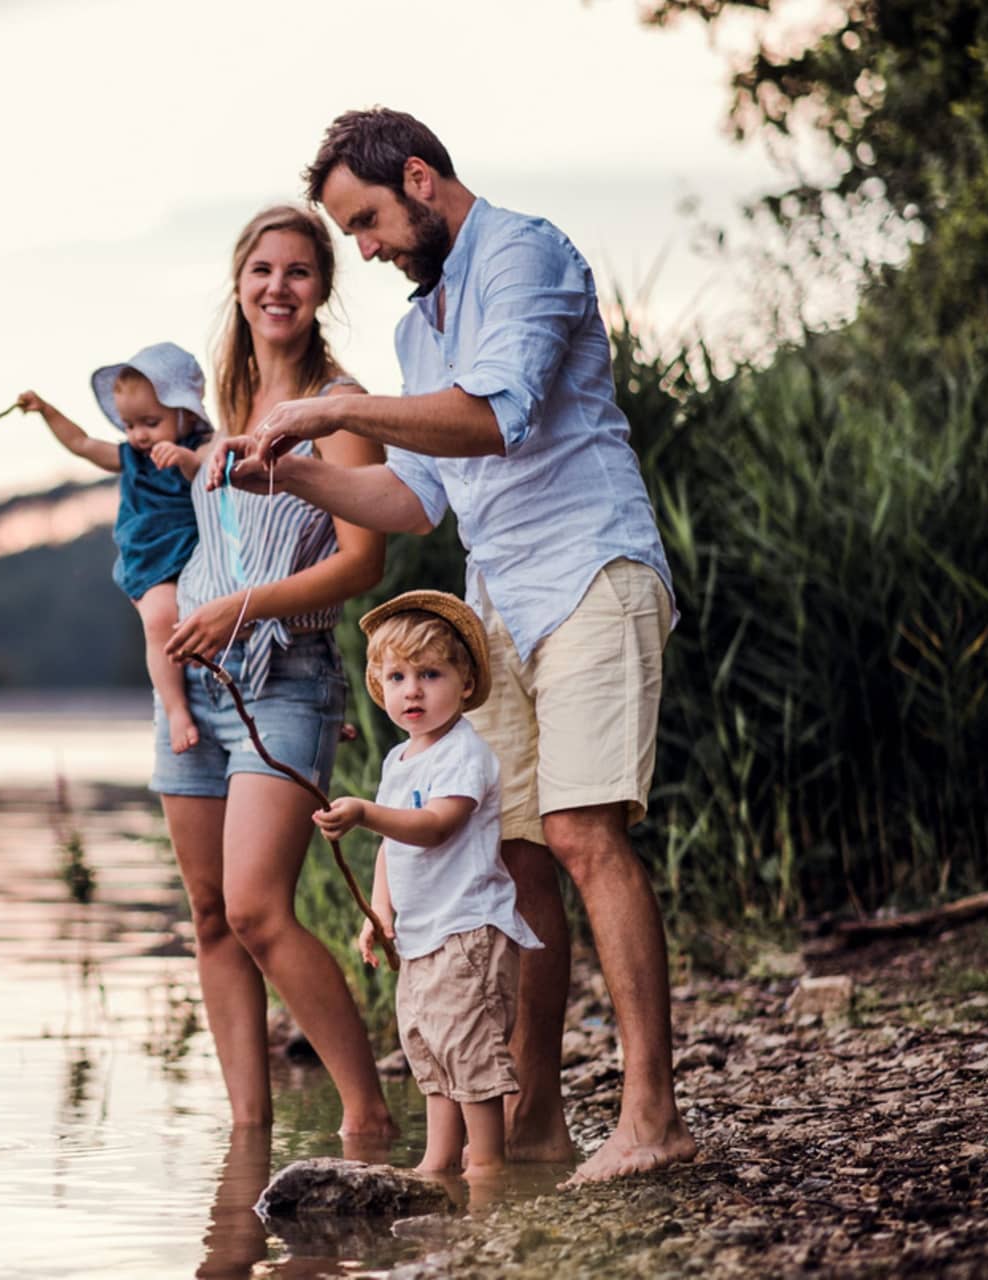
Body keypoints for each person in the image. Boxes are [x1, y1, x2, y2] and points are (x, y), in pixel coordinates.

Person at [209, 109, 699, 1184]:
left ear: (420, 179)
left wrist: (330, 405)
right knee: (509, 854)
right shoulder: (416, 332)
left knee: (578, 830)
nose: (367, 248)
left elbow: (493, 417)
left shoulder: (526, 253)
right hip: (495, 602)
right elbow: (410, 493)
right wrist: (284, 469)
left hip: (587, 570)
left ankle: (651, 1114)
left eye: (368, 221)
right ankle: (530, 1123)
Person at [155, 205, 391, 1137]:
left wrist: (242, 608)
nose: (277, 287)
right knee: (211, 916)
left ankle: (367, 1115)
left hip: (286, 677)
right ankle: (246, 1139)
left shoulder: (342, 408)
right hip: (194, 684)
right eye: (261, 269)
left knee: (258, 908)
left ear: (322, 288)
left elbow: (364, 561)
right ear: (240, 283)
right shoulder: (223, 413)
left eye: (298, 271)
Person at [314, 590, 541, 1177]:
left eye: (430, 674)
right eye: (397, 676)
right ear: (380, 686)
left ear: (465, 683)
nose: (412, 689)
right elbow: (394, 849)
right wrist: (379, 911)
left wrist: (364, 811)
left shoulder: (463, 753)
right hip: (420, 937)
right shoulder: (398, 761)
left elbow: (437, 826)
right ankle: (438, 1164)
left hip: (467, 934)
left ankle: (487, 1168)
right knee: (431, 1049)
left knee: (471, 1054)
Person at [19, 344, 211, 752]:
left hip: (200, 557)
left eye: (151, 422)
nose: (139, 435)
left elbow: (212, 473)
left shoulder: (202, 448)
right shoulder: (131, 458)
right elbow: (83, 444)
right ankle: (176, 709)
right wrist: (47, 410)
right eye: (129, 425)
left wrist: (185, 460)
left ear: (187, 413)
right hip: (153, 561)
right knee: (161, 619)